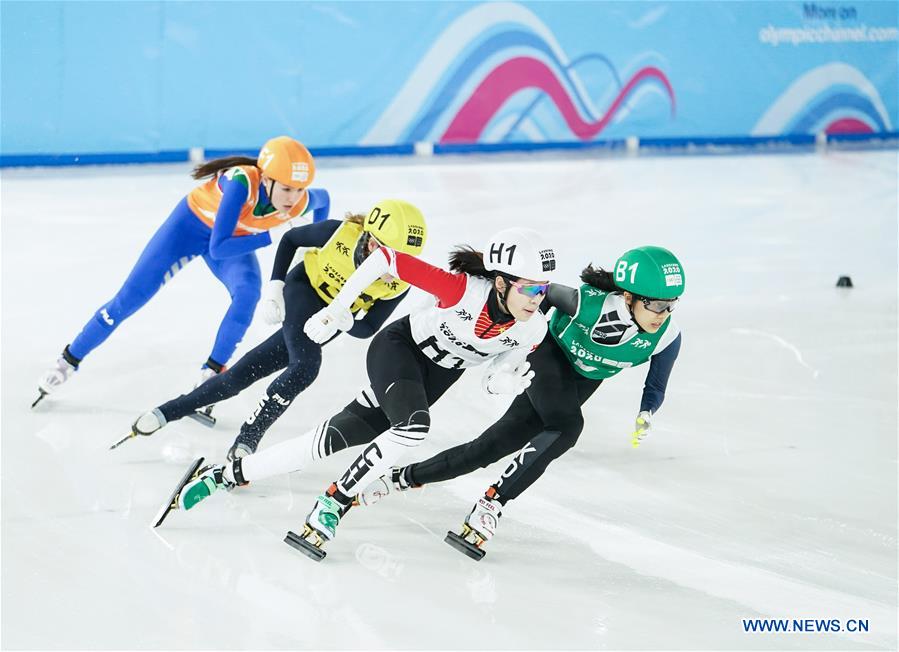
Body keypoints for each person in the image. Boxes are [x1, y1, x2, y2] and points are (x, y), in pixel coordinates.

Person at [161, 227, 558, 560]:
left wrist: (501, 383)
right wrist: (337, 307)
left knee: (325, 442)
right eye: (531, 289)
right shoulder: (460, 290)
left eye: (544, 291)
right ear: (502, 281)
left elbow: (495, 373)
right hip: (399, 351)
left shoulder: (532, 329)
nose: (537, 300)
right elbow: (385, 257)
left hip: (431, 379)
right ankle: (333, 501)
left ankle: (223, 475)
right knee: (414, 428)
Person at [357, 246, 685, 558]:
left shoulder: (666, 335)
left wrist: (646, 412)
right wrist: (512, 346)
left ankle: (402, 478)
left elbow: (656, 384)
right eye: (656, 305)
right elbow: (535, 294)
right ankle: (493, 502)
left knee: (490, 447)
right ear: (628, 297)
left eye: (671, 305)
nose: (663, 314)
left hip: (578, 384)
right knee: (569, 426)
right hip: (548, 356)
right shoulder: (588, 304)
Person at [33, 136, 329, 408]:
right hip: (190, 229)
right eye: (287, 188)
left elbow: (323, 199)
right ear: (266, 179)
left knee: (247, 294)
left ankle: (211, 373)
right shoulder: (241, 183)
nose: (293, 198)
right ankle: (67, 360)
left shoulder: (299, 200)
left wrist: (307, 249)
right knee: (127, 300)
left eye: (300, 189)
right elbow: (219, 247)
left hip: (234, 237)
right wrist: (272, 235)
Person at [123, 200, 428, 459]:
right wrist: (275, 286)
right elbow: (291, 239)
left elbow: (369, 328)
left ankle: (168, 410)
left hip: (329, 321)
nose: (389, 264)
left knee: (242, 375)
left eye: (401, 258)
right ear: (368, 237)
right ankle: (250, 436)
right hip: (304, 290)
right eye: (384, 251)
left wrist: (344, 320)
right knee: (306, 366)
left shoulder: (400, 279)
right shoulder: (339, 233)